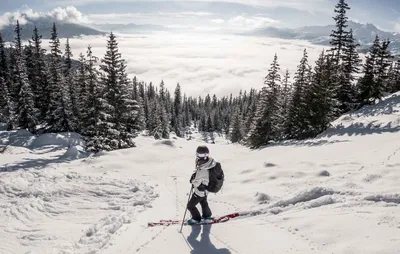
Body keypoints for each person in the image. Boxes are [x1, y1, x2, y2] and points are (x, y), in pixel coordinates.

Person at [187, 145, 218, 225]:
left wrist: (192, 180)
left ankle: (196, 219)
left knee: (190, 206)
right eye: (198, 154)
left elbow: (196, 182)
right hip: (206, 189)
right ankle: (207, 216)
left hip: (200, 192)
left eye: (200, 155)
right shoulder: (210, 163)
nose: (198, 157)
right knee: (203, 202)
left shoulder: (202, 169)